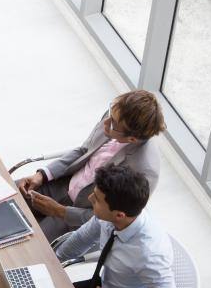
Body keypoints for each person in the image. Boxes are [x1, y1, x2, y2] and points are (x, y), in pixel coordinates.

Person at [17, 90, 165, 241]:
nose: (105, 122)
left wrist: (60, 211)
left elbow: (110, 218)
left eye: (113, 123)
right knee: (9, 194)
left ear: (132, 139)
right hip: (63, 184)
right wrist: (42, 174)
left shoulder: (143, 172)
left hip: (80, 215)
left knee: (30, 245)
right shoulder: (114, 115)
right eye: (110, 115)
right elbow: (84, 150)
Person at [55, 164, 175, 288]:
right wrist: (52, 263)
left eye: (95, 200)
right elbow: (81, 239)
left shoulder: (149, 256)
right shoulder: (109, 217)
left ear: (119, 215)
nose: (89, 199)